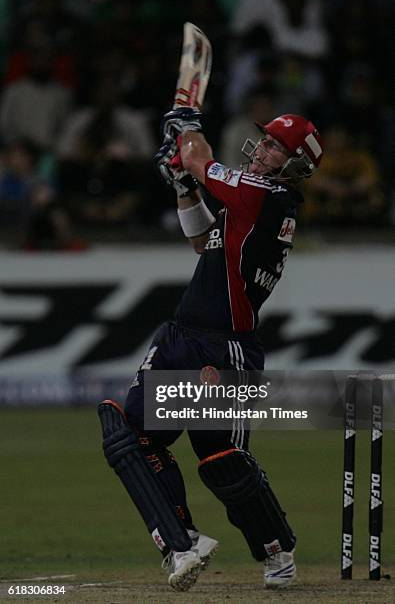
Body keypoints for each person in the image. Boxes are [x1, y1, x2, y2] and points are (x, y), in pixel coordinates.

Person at [98, 109, 324, 591]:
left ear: (294, 163)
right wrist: (184, 184)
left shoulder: (271, 196)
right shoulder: (248, 199)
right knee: (127, 435)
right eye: (263, 140)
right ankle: (181, 545)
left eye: (274, 146)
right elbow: (204, 241)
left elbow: (200, 157)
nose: (261, 148)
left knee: (221, 460)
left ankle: (276, 549)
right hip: (180, 337)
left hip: (226, 350)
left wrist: (187, 126)